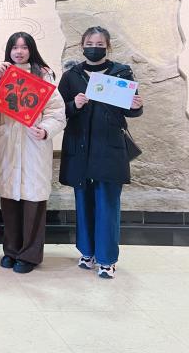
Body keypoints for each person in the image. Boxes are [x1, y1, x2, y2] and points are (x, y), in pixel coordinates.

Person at [58, 26, 143, 279]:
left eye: (99, 44)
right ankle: (87, 252)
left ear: (108, 47)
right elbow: (58, 111)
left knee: (107, 204)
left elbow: (131, 110)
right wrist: (74, 104)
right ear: (81, 45)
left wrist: (137, 105)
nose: (94, 48)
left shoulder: (121, 73)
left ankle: (106, 259)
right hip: (80, 148)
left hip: (109, 149)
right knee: (83, 202)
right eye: (89, 43)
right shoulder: (71, 75)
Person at [0, 32, 66, 274]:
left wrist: (45, 130)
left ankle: (29, 255)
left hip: (34, 146)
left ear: (31, 50)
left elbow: (57, 113)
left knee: (33, 201)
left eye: (24, 47)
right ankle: (11, 251)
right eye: (14, 47)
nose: (19, 52)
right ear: (9, 51)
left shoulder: (43, 76)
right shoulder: (1, 75)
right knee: (10, 201)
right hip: (8, 147)